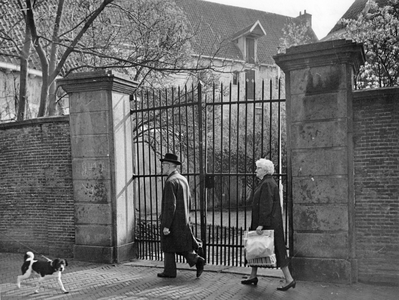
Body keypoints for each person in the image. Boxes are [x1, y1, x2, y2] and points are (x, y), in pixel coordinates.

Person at [241, 158, 296, 291]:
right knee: (256, 247)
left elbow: (266, 205)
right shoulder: (267, 182)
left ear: (265, 170)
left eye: (258, 168)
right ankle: (253, 275)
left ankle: (289, 279)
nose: (256, 170)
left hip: (268, 223)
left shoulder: (266, 184)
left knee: (274, 249)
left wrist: (261, 224)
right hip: (270, 222)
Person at [157, 153, 205, 278]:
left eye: (164, 165)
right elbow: (189, 200)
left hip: (172, 221)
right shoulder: (182, 179)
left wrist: (166, 225)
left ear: (169, 165)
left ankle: (171, 270)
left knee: (168, 245)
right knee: (178, 244)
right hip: (182, 219)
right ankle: (194, 259)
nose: (162, 167)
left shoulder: (170, 182)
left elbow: (170, 206)